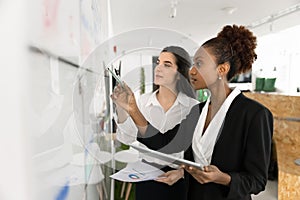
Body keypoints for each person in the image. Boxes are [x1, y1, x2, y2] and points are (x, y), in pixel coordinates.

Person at [112, 25, 274, 200]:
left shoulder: (254, 114)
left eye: (200, 64)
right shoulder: (198, 110)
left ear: (222, 69)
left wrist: (223, 178)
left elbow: (257, 181)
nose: (192, 71)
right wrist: (133, 109)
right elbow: (163, 142)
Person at [111, 46, 199, 200]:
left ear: (179, 74)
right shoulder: (143, 102)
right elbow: (126, 138)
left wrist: (182, 173)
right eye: (158, 62)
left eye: (167, 64)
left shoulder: (192, 107)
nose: (158, 68)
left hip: (178, 180)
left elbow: (199, 152)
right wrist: (121, 108)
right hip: (146, 177)